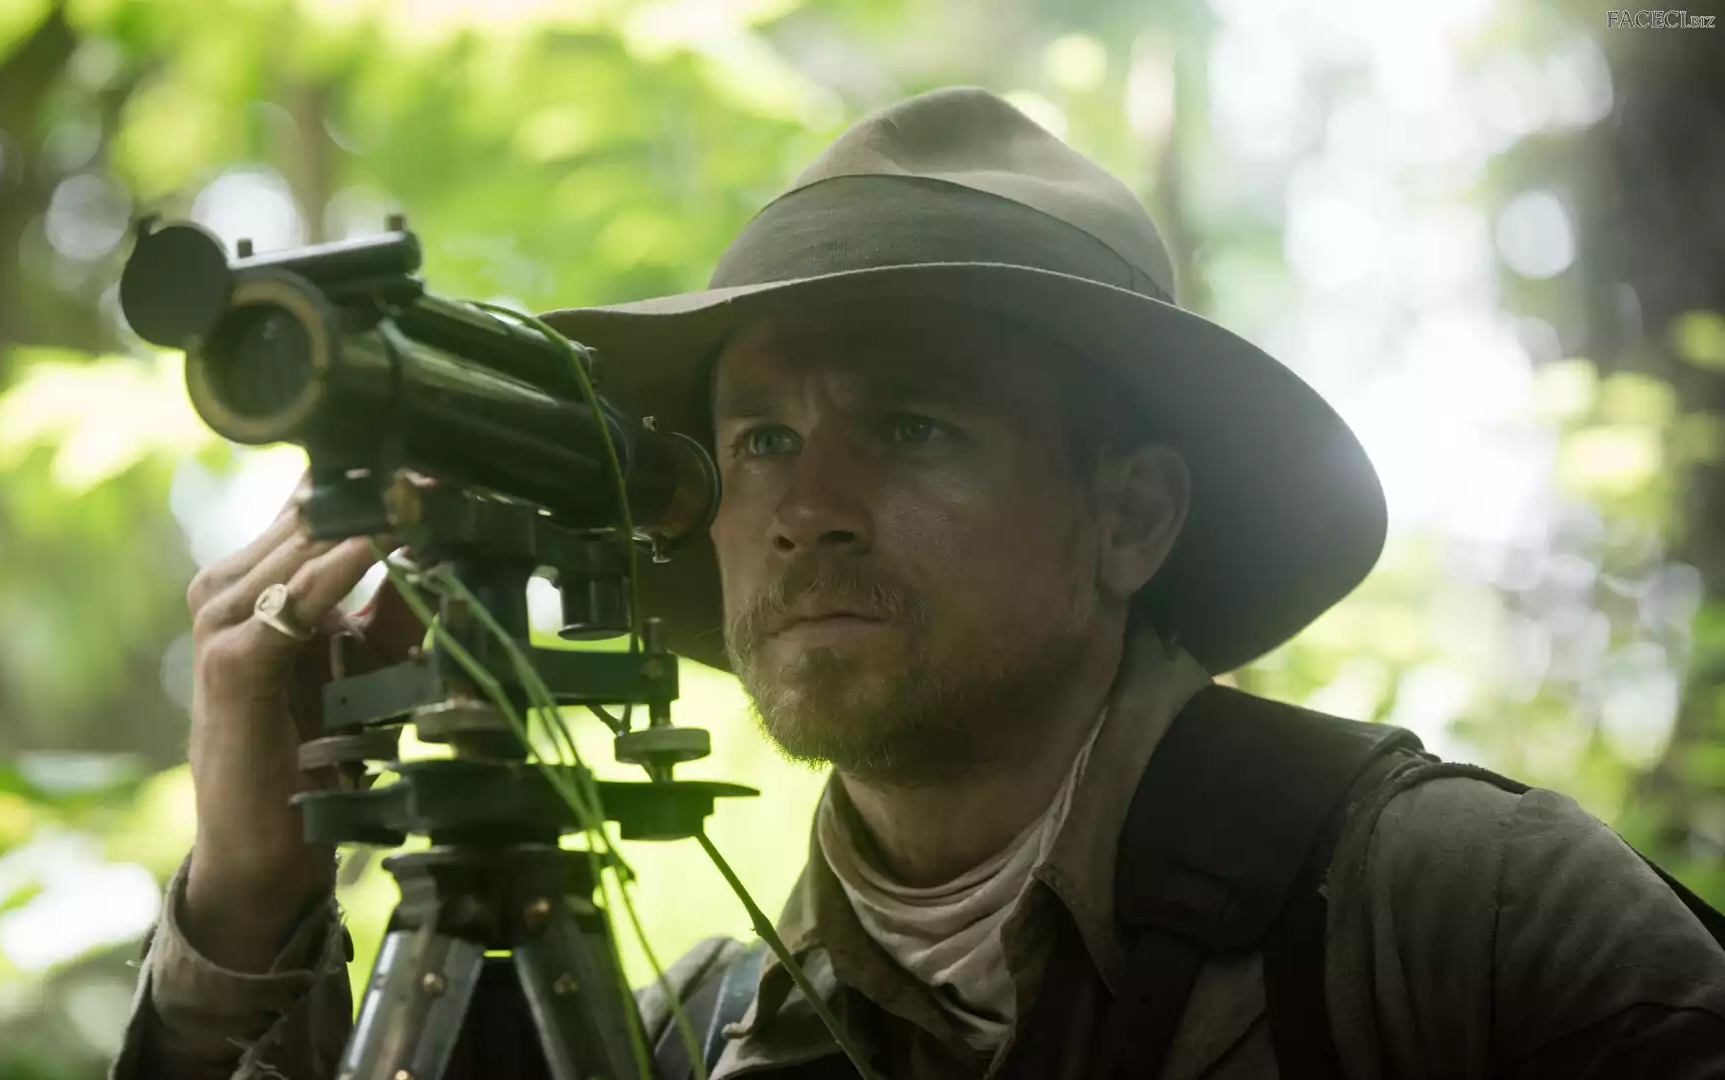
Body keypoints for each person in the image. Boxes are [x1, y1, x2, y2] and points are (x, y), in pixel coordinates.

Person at [109, 88, 1725, 1080]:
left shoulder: (1450, 917)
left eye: (913, 428)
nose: (804, 510)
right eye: (758, 441)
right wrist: (247, 903)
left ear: (1131, 519)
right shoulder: (705, 1033)